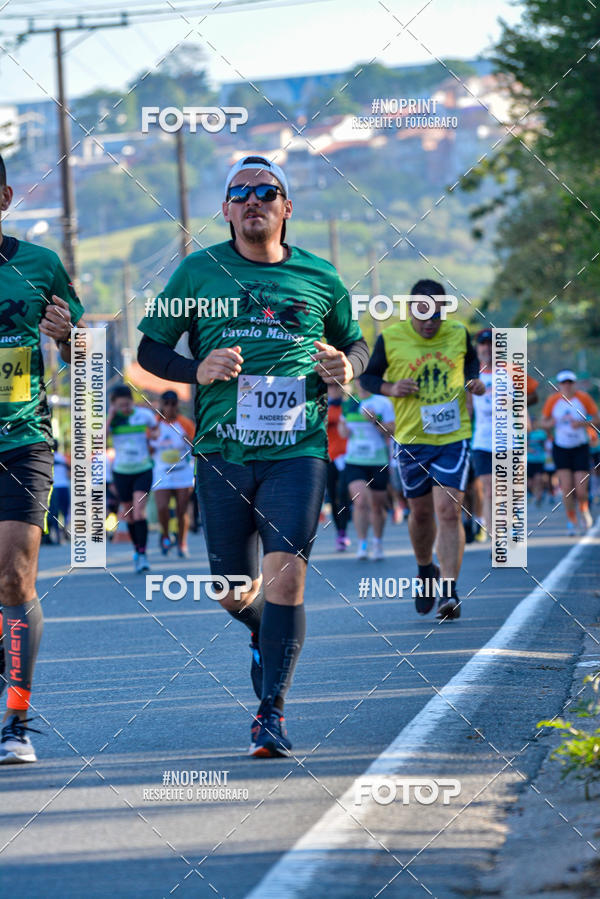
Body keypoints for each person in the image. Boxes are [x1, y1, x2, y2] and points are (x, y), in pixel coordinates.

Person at [137, 155, 368, 757]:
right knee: (230, 588)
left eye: (267, 191)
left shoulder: (321, 276)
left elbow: (356, 345)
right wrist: (196, 369)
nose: (253, 200)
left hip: (299, 450)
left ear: (287, 208)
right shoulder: (196, 273)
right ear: (226, 210)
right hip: (222, 451)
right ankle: (270, 635)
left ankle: (271, 713)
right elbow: (148, 350)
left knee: (286, 576)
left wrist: (350, 367)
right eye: (240, 193)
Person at [0, 153, 85, 763]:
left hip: (22, 440)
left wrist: (65, 337)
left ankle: (17, 721)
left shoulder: (40, 265)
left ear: (5, 199)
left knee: (13, 575)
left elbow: (85, 357)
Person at [361, 279, 485, 620]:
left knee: (448, 510)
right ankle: (425, 568)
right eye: (423, 313)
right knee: (421, 514)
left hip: (452, 435)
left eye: (437, 314)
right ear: (411, 309)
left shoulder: (459, 333)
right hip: (412, 438)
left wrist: (473, 380)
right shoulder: (392, 337)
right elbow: (367, 379)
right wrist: (390, 387)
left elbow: (471, 363)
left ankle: (449, 590)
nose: (430, 321)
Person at [338, 383, 395, 560]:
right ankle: (362, 543)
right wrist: (344, 430)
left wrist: (375, 420)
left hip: (377, 460)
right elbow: (342, 431)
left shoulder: (382, 402)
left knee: (377, 505)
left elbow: (392, 431)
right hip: (355, 460)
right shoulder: (349, 403)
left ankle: (377, 542)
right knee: (360, 500)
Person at [540, 370, 600, 534]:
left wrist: (582, 423)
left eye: (570, 382)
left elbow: (597, 418)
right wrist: (551, 422)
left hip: (580, 446)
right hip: (561, 447)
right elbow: (543, 422)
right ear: (559, 385)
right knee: (566, 487)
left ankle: (584, 508)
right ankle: (571, 519)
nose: (567, 386)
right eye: (564, 383)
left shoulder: (583, 399)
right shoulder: (553, 401)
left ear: (574, 384)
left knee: (580, 489)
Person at [107, 384, 159, 572]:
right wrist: (111, 417)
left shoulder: (143, 416)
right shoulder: (113, 420)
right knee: (128, 514)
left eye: (128, 404)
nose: (125, 408)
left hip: (143, 469)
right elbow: (99, 440)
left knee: (139, 512)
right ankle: (137, 550)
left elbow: (155, 430)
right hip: (121, 471)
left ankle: (143, 554)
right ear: (113, 405)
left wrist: (153, 436)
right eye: (121, 405)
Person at [151, 390, 195, 557]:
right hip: (162, 472)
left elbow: (196, 446)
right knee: (162, 507)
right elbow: (147, 449)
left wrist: (187, 439)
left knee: (181, 510)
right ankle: (165, 535)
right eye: (166, 403)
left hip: (182, 472)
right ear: (161, 405)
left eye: (173, 403)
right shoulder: (154, 424)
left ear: (177, 405)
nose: (169, 407)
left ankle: (182, 543)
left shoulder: (185, 423)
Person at [326, 384, 351, 551]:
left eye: (337, 388)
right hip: (328, 456)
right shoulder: (321, 406)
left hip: (346, 456)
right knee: (333, 496)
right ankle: (340, 532)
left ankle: (344, 528)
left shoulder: (348, 405)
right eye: (331, 388)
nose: (334, 390)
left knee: (343, 494)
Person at [48, 441, 71, 544]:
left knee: (54, 512)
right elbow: (69, 472)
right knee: (65, 511)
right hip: (64, 486)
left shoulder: (48, 457)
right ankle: (65, 532)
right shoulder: (62, 458)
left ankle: (58, 535)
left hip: (54, 487)